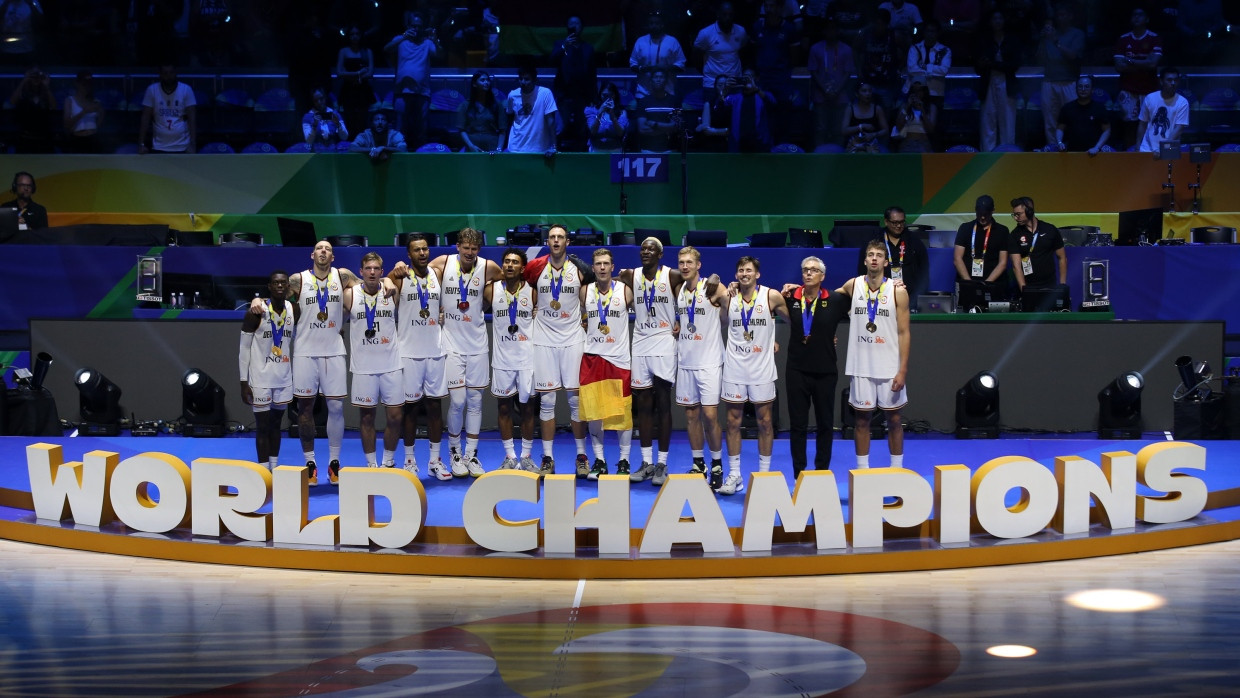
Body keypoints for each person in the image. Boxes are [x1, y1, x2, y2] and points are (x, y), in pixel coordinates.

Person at [251, 240, 394, 486]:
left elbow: (372, 285)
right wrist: (258, 300)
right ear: (312, 254)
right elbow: (277, 294)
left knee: (337, 409)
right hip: (305, 352)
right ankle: (310, 463)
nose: (323, 251)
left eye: (328, 248)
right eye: (319, 248)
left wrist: (389, 280)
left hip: (334, 352)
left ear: (333, 256)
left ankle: (334, 463)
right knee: (305, 410)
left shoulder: (343, 276)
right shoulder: (298, 280)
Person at [429, 227, 502, 477]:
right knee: (458, 401)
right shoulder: (443, 262)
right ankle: (454, 452)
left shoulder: (489, 267)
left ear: (478, 249)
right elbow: (422, 282)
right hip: (450, 342)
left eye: (474, 248)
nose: (470, 252)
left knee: (475, 401)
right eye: (466, 248)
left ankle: (471, 455)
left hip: (478, 343)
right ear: (457, 247)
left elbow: (507, 288)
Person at [522, 224, 592, 477]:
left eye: (560, 237)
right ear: (547, 241)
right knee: (548, 401)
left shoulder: (580, 270)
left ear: (567, 242)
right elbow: (523, 287)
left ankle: (581, 456)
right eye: (552, 237)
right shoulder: (536, 268)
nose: (556, 241)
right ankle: (548, 458)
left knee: (575, 402)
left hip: (573, 339)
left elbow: (595, 293)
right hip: (543, 340)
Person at [719, 256, 789, 495]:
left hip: (761, 368)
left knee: (765, 422)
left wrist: (774, 338)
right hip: (735, 367)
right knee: (732, 422)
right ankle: (735, 474)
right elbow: (721, 322)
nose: (744, 274)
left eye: (749, 270)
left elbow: (795, 319)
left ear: (757, 274)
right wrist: (726, 296)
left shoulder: (771, 296)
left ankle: (764, 475)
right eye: (740, 270)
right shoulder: (729, 296)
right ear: (737, 274)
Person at [841, 240, 911, 470]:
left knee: (894, 420)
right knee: (861, 421)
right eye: (870, 254)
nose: (874, 258)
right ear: (864, 260)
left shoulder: (897, 291)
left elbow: (904, 332)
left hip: (889, 366)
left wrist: (902, 370)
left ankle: (897, 470)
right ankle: (863, 472)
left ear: (885, 261)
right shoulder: (853, 285)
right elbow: (825, 299)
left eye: (878, 255)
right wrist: (795, 288)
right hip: (861, 366)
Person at [783, 257, 851, 476]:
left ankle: (821, 472)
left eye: (814, 270)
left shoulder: (836, 300)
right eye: (805, 270)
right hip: (796, 370)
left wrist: (894, 284)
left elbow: (864, 292)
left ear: (823, 276)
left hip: (825, 371)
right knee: (798, 425)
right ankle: (798, 474)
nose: (808, 273)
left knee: (825, 424)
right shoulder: (788, 298)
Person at [621, 238, 680, 485]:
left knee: (663, 403)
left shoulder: (673, 276)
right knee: (643, 405)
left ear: (661, 254)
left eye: (651, 249)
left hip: (665, 342)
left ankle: (662, 463)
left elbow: (697, 290)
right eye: (643, 249)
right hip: (641, 344)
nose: (646, 252)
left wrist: (718, 281)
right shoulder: (630, 275)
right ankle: (646, 462)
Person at [393, 234, 449, 480]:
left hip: (435, 351)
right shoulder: (399, 276)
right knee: (411, 410)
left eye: (425, 249)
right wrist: (394, 271)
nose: (422, 253)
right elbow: (382, 282)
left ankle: (435, 461)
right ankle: (409, 460)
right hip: (409, 353)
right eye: (417, 250)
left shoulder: (437, 274)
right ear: (409, 254)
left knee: (435, 407)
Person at [674, 246, 729, 487]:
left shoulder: (714, 287)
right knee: (691, 415)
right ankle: (699, 463)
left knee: (709, 415)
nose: (685, 266)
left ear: (699, 265)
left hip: (709, 362)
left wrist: (726, 294)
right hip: (685, 361)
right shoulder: (679, 289)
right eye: (681, 262)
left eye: (689, 262)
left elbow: (728, 315)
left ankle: (717, 464)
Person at [578, 249, 635, 479]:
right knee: (594, 414)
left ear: (613, 267)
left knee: (623, 415)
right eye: (598, 264)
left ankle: (624, 461)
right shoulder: (585, 291)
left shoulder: (625, 290)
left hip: (619, 360)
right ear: (593, 268)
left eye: (606, 264)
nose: (602, 268)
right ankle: (599, 460)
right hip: (592, 358)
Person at [344, 252, 403, 469]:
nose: (372, 272)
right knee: (367, 419)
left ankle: (388, 461)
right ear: (361, 272)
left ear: (381, 270)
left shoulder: (391, 292)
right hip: (363, 368)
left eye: (376, 269)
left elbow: (401, 269)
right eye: (368, 268)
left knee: (395, 417)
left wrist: (388, 279)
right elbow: (338, 275)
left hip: (391, 365)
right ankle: (371, 464)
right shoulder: (350, 294)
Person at [487, 248, 538, 472]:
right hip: (502, 361)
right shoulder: (491, 290)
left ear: (523, 268)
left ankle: (526, 456)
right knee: (504, 409)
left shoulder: (533, 292)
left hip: (528, 359)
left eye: (514, 262)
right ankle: (510, 456)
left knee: (527, 410)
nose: (509, 265)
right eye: (506, 261)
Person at [239, 270, 295, 472]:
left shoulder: (293, 310)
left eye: (283, 283)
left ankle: (274, 467)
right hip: (260, 379)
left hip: (283, 379)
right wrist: (243, 382)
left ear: (288, 287)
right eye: (275, 283)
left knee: (276, 426)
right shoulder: (255, 313)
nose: (280, 286)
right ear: (269, 287)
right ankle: (264, 473)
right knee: (262, 427)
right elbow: (244, 349)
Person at [385, 11, 439, 149]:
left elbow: (439, 54)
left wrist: (434, 39)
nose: (416, 29)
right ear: (408, 26)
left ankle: (421, 159)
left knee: (421, 128)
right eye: (413, 26)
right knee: (400, 128)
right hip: (402, 91)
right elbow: (386, 49)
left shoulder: (427, 43)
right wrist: (403, 37)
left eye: (419, 26)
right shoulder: (400, 39)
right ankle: (399, 159)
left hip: (422, 92)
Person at [1036, 3, 1085, 151]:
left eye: (1064, 14)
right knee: (1050, 121)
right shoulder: (1048, 35)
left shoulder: (1077, 34)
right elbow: (1039, 59)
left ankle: (1073, 149)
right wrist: (1042, 39)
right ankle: (1052, 148)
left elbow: (1073, 56)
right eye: (1058, 15)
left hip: (1069, 82)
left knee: (1072, 118)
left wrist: (1056, 41)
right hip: (1049, 81)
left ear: (1070, 17)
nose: (1060, 17)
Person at [855, 206, 929, 301]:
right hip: (880, 295)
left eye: (902, 222)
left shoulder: (914, 241)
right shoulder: (875, 240)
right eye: (895, 222)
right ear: (886, 222)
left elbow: (924, 272)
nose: (898, 226)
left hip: (909, 295)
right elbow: (863, 270)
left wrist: (916, 299)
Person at [1114, 7, 1161, 150]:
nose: (1136, 17)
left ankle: (1148, 154)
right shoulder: (1123, 39)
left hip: (1149, 90)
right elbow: (1119, 67)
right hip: (1128, 90)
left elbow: (1153, 64)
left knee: (1150, 125)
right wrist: (1144, 63)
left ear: (1147, 19)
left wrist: (1131, 61)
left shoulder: (1154, 38)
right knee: (1129, 126)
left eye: (1140, 15)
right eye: (1134, 14)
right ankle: (1130, 155)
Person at [977, 10, 1021, 152]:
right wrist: (989, 64)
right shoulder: (984, 40)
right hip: (988, 82)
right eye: (994, 18)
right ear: (990, 22)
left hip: (1007, 83)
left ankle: (1008, 156)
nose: (997, 21)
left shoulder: (1012, 39)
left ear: (1004, 21)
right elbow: (978, 66)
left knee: (1007, 122)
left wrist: (993, 64)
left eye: (1000, 18)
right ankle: (986, 159)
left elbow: (1014, 65)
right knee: (987, 122)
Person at [550, 15, 596, 152]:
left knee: (582, 128)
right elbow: (552, 61)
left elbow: (592, 74)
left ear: (581, 27)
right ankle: (557, 152)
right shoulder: (560, 44)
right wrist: (565, 46)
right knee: (561, 127)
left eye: (577, 23)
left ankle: (581, 156)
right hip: (564, 95)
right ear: (567, 27)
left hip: (582, 95)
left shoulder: (588, 48)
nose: (574, 25)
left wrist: (593, 97)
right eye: (571, 23)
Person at [808, 17, 853, 148]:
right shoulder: (815, 48)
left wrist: (837, 91)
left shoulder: (846, 49)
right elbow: (813, 72)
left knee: (839, 130)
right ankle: (819, 157)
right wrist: (825, 90)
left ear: (838, 31)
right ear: (823, 31)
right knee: (820, 129)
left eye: (834, 28)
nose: (831, 31)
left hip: (841, 97)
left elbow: (848, 73)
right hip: (820, 96)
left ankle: (838, 157)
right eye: (828, 28)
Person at [1009, 196, 1067, 293]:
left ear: (1029, 211)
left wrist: (1062, 284)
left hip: (1049, 286)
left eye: (1018, 214)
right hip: (1028, 287)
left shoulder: (1050, 229)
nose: (1016, 218)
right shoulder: (1014, 235)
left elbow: (1062, 257)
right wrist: (1024, 290)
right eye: (1014, 215)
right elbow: (1016, 266)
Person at [693, 1, 747, 104]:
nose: (727, 18)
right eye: (724, 15)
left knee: (734, 117)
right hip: (712, 83)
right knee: (712, 116)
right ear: (718, 15)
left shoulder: (741, 31)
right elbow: (696, 56)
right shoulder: (706, 33)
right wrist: (706, 72)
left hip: (734, 83)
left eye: (730, 15)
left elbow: (744, 51)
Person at [953, 194, 1010, 290]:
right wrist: (969, 284)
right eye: (980, 214)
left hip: (993, 284)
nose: (982, 218)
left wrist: (986, 285)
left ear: (993, 211)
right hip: (967, 282)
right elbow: (957, 259)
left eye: (986, 214)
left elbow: (1003, 263)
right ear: (975, 210)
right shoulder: (965, 228)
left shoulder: (1002, 231)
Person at [138, 65, 196, 154]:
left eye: (171, 73)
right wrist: (141, 144)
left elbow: (192, 119)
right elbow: (145, 118)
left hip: (182, 146)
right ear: (160, 75)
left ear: (175, 73)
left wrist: (193, 144)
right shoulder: (152, 90)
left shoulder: (186, 89)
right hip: (158, 146)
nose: (168, 76)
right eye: (165, 73)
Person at [629, 11, 686, 99]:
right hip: (643, 92)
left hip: (667, 91)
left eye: (657, 23)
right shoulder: (640, 41)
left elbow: (681, 64)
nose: (654, 26)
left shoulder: (672, 41)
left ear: (662, 25)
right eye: (651, 23)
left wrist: (666, 68)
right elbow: (633, 64)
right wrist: (642, 69)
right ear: (648, 25)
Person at [504, 64, 557, 155]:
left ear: (535, 80)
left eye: (527, 79)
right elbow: (510, 120)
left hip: (539, 147)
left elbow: (551, 121)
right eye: (521, 79)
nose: (523, 82)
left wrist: (554, 146)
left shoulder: (545, 93)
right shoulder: (512, 95)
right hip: (516, 146)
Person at [1136, 67, 1189, 154]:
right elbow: (1142, 124)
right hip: (1146, 149)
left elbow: (1179, 129)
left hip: (1169, 149)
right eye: (1169, 80)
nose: (1173, 83)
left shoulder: (1183, 102)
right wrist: (1138, 147)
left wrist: (1162, 149)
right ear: (1161, 81)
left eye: (1175, 80)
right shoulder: (1150, 98)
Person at [335, 24, 376, 137]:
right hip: (348, 90)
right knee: (349, 120)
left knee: (363, 120)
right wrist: (358, 73)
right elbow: (339, 72)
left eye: (357, 34)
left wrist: (356, 77)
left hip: (363, 90)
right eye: (352, 34)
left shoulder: (367, 51)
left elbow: (370, 72)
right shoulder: (343, 51)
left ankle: (362, 145)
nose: (354, 36)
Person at [1055, 75, 1111, 155]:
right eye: (1080, 86)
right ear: (1076, 89)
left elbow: (1107, 130)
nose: (1083, 89)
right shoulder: (1067, 108)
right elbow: (1060, 128)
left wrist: (1097, 147)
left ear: (1092, 89)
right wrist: (1060, 142)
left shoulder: (1099, 108)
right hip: (1071, 153)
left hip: (1094, 153)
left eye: (1087, 87)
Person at [906, 20, 950, 113]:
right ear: (924, 32)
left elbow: (944, 70)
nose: (930, 34)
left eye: (933, 31)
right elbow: (911, 69)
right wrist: (931, 72)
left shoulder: (945, 50)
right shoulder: (914, 48)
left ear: (938, 33)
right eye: (928, 31)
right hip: (914, 90)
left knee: (935, 123)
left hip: (936, 92)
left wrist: (924, 67)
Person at [9, 65, 54, 154]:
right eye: (33, 75)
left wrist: (46, 86)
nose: (36, 78)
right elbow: (13, 102)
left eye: (38, 75)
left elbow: (53, 106)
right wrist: (24, 81)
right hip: (25, 138)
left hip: (43, 138)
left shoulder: (45, 93)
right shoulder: (23, 93)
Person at [458, 70, 505, 153]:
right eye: (482, 80)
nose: (486, 82)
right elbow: (461, 130)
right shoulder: (465, 105)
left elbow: (502, 130)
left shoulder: (497, 104)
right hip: (472, 145)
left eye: (487, 80)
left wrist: (499, 149)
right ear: (474, 84)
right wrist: (470, 146)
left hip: (492, 146)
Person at [636, 67, 680, 153]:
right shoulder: (643, 102)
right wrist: (666, 129)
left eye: (661, 77)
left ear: (666, 80)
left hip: (670, 149)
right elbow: (642, 129)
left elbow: (676, 127)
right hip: (647, 150)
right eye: (656, 77)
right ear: (651, 81)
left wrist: (655, 124)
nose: (658, 80)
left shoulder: (675, 101)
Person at [63, 70, 103, 154]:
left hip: (93, 139)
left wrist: (100, 111)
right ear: (77, 84)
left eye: (89, 84)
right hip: (76, 139)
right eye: (84, 84)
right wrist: (83, 112)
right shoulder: (70, 100)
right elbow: (67, 125)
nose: (86, 87)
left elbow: (100, 124)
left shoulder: (97, 102)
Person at [842, 82, 887, 153]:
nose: (868, 93)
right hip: (854, 145)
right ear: (857, 94)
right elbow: (844, 130)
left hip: (872, 145)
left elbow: (885, 130)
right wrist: (861, 126)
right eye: (864, 91)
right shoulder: (850, 109)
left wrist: (873, 135)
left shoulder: (877, 109)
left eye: (869, 91)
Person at [584, 82, 629, 153]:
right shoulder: (591, 110)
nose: (607, 98)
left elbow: (620, 133)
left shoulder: (622, 112)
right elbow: (592, 131)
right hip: (596, 150)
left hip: (616, 151)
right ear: (600, 95)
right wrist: (599, 113)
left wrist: (613, 117)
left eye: (611, 95)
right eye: (604, 95)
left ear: (615, 95)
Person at [893, 81, 937, 153]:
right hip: (907, 143)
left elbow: (931, 130)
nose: (917, 94)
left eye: (919, 91)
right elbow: (898, 126)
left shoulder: (931, 107)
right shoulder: (904, 106)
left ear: (924, 92)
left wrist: (922, 110)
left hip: (923, 143)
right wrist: (907, 106)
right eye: (914, 91)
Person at [302, 87, 349, 152]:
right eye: (316, 100)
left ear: (325, 98)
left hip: (333, 154)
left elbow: (345, 137)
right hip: (316, 154)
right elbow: (309, 141)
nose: (319, 102)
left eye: (321, 99)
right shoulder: (307, 117)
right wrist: (314, 126)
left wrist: (338, 124)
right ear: (313, 101)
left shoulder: (335, 114)